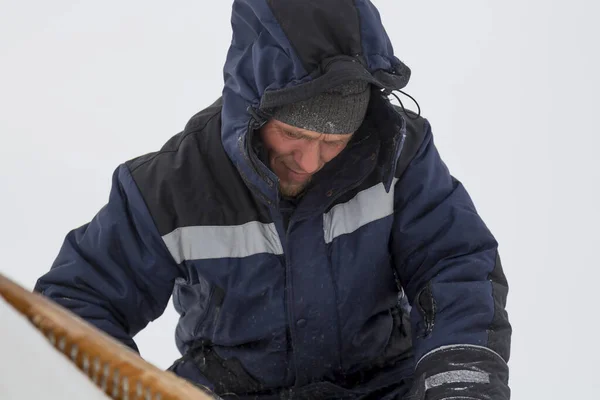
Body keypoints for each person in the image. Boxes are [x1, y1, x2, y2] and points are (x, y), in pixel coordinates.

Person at [34, 1, 511, 399]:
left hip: (382, 388)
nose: (309, 161)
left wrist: (459, 377)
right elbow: (77, 301)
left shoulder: (398, 156)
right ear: (254, 108)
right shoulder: (172, 187)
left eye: (334, 142)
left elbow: (453, 261)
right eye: (292, 135)